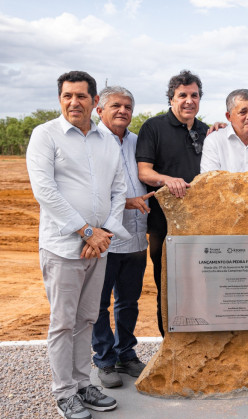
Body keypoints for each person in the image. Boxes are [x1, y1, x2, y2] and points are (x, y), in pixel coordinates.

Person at [26, 71, 129, 419]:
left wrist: (103, 233)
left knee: (87, 318)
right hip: (64, 247)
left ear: (94, 101)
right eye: (67, 96)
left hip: (98, 246)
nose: (74, 102)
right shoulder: (45, 136)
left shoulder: (105, 140)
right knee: (62, 322)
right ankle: (64, 393)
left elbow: (118, 189)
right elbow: (45, 191)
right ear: (60, 100)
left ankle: (84, 385)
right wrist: (86, 231)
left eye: (81, 96)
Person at [135, 70, 209, 337]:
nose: (189, 101)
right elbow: (145, 172)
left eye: (194, 95)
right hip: (164, 226)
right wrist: (169, 180)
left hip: (202, 226)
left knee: (203, 287)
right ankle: (171, 347)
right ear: (171, 99)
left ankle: (200, 345)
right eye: (182, 95)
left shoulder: (206, 131)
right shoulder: (153, 128)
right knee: (168, 288)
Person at [91, 86, 154, 388]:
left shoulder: (138, 142)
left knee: (128, 301)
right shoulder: (91, 143)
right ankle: (104, 360)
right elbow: (87, 191)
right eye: (115, 105)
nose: (123, 111)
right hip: (104, 239)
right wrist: (126, 202)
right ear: (99, 109)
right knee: (99, 303)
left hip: (136, 238)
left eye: (128, 106)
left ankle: (125, 354)